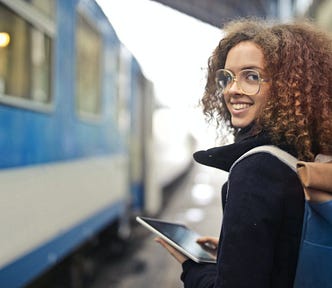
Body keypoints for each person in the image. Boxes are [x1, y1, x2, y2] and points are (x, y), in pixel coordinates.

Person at [155, 18, 332, 288]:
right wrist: (232, 252)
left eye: (251, 76)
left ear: (288, 85)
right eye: (227, 77)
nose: (232, 90)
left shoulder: (255, 170)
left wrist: (191, 267)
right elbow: (289, 248)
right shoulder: (304, 156)